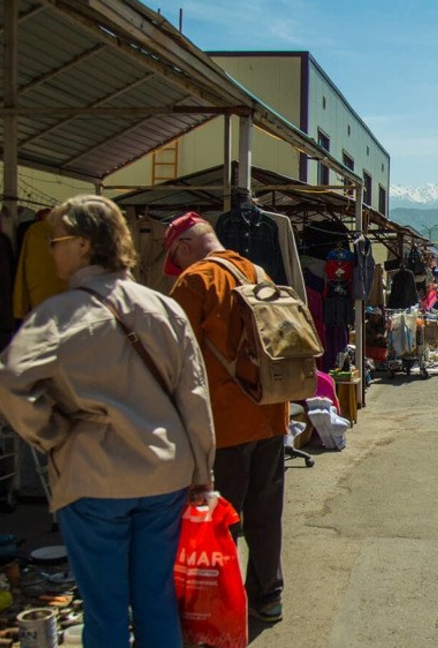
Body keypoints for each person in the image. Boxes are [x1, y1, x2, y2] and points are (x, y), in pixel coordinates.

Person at [0, 196, 215, 648]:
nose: (51, 250)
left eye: (57, 241)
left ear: (84, 245)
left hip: (94, 476)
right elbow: (194, 398)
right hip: (164, 474)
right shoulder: (163, 308)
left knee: (105, 609)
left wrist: (51, 433)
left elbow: (8, 381)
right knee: (155, 599)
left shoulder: (59, 314)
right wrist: (202, 473)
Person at [163, 212, 288, 623]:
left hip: (224, 423)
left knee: (220, 521)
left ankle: (221, 608)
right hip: (271, 413)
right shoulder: (259, 272)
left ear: (184, 248)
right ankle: (268, 599)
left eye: (175, 259)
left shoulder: (194, 281)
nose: (177, 268)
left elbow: (175, 359)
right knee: (265, 515)